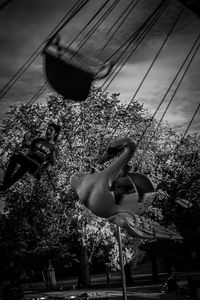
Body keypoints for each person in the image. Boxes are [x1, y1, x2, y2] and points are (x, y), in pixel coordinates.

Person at [70, 136, 182, 240]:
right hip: (114, 203)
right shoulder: (98, 180)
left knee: (107, 183)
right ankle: (126, 215)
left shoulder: (99, 181)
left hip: (121, 202)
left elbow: (128, 149)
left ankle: (127, 216)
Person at [0, 122, 61, 191]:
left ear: (55, 133)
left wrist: (53, 151)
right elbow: (26, 144)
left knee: (25, 165)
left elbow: (53, 163)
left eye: (51, 130)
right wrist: (25, 138)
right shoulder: (39, 140)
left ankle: (5, 185)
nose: (48, 131)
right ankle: (5, 185)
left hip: (36, 165)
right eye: (47, 129)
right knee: (15, 157)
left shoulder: (54, 148)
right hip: (28, 159)